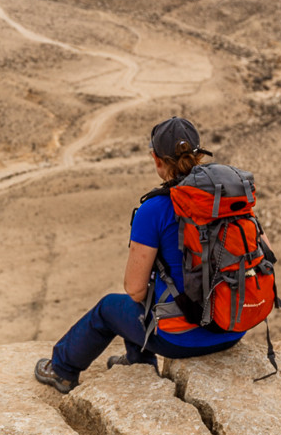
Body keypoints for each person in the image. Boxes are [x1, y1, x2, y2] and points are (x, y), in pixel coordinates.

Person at [35, 116, 243, 393]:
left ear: (156, 159)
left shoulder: (154, 209)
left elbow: (134, 290)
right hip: (232, 328)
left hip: (179, 340)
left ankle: (62, 370)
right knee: (150, 292)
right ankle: (138, 362)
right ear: (198, 154)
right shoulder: (230, 198)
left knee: (110, 307)